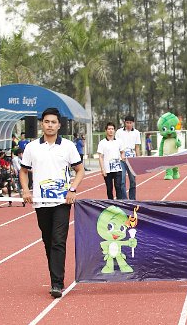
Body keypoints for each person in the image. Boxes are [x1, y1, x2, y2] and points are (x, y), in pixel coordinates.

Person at [19, 107, 85, 298]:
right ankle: (55, 275)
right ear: (42, 124)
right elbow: (23, 171)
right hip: (40, 202)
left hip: (62, 202)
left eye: (53, 122)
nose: (50, 125)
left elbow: (79, 170)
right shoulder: (32, 147)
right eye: (47, 122)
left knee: (58, 241)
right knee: (48, 241)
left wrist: (72, 189)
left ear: (59, 125)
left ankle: (57, 283)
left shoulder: (68, 146)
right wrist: (25, 190)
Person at [116, 114, 142, 199]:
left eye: (130, 123)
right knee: (122, 181)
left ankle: (132, 199)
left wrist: (138, 159)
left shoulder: (136, 133)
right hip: (121, 159)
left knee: (133, 181)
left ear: (133, 123)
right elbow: (116, 145)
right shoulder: (119, 132)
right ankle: (124, 199)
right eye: (127, 122)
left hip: (132, 158)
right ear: (124, 123)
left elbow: (137, 147)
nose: (128, 124)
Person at [97, 122, 125, 200]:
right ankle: (110, 203)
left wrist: (123, 156)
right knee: (109, 188)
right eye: (109, 129)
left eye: (112, 129)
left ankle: (120, 203)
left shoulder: (119, 141)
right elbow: (100, 157)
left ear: (114, 130)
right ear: (106, 130)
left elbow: (122, 151)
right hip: (107, 169)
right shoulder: (102, 143)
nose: (111, 131)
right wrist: (102, 169)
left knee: (118, 186)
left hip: (117, 168)